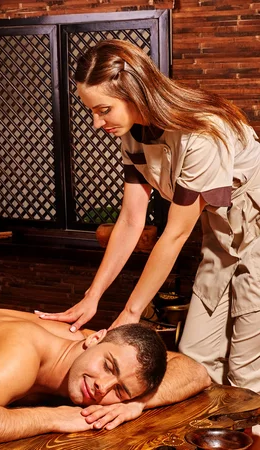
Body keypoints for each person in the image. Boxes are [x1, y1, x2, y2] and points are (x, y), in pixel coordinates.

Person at [35, 39, 260, 393]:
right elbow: (130, 220)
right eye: (91, 111)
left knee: (247, 374)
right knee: (195, 357)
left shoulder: (200, 133)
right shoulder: (132, 134)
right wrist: (93, 296)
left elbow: (174, 234)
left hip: (256, 232)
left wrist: (131, 312)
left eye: (104, 109)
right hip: (220, 235)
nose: (96, 123)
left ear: (134, 94)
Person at [0, 308, 211, 449]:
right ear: (94, 338)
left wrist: (137, 404)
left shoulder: (90, 346)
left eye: (119, 389)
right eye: (108, 367)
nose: (102, 387)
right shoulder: (23, 352)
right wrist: (56, 417)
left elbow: (196, 371)